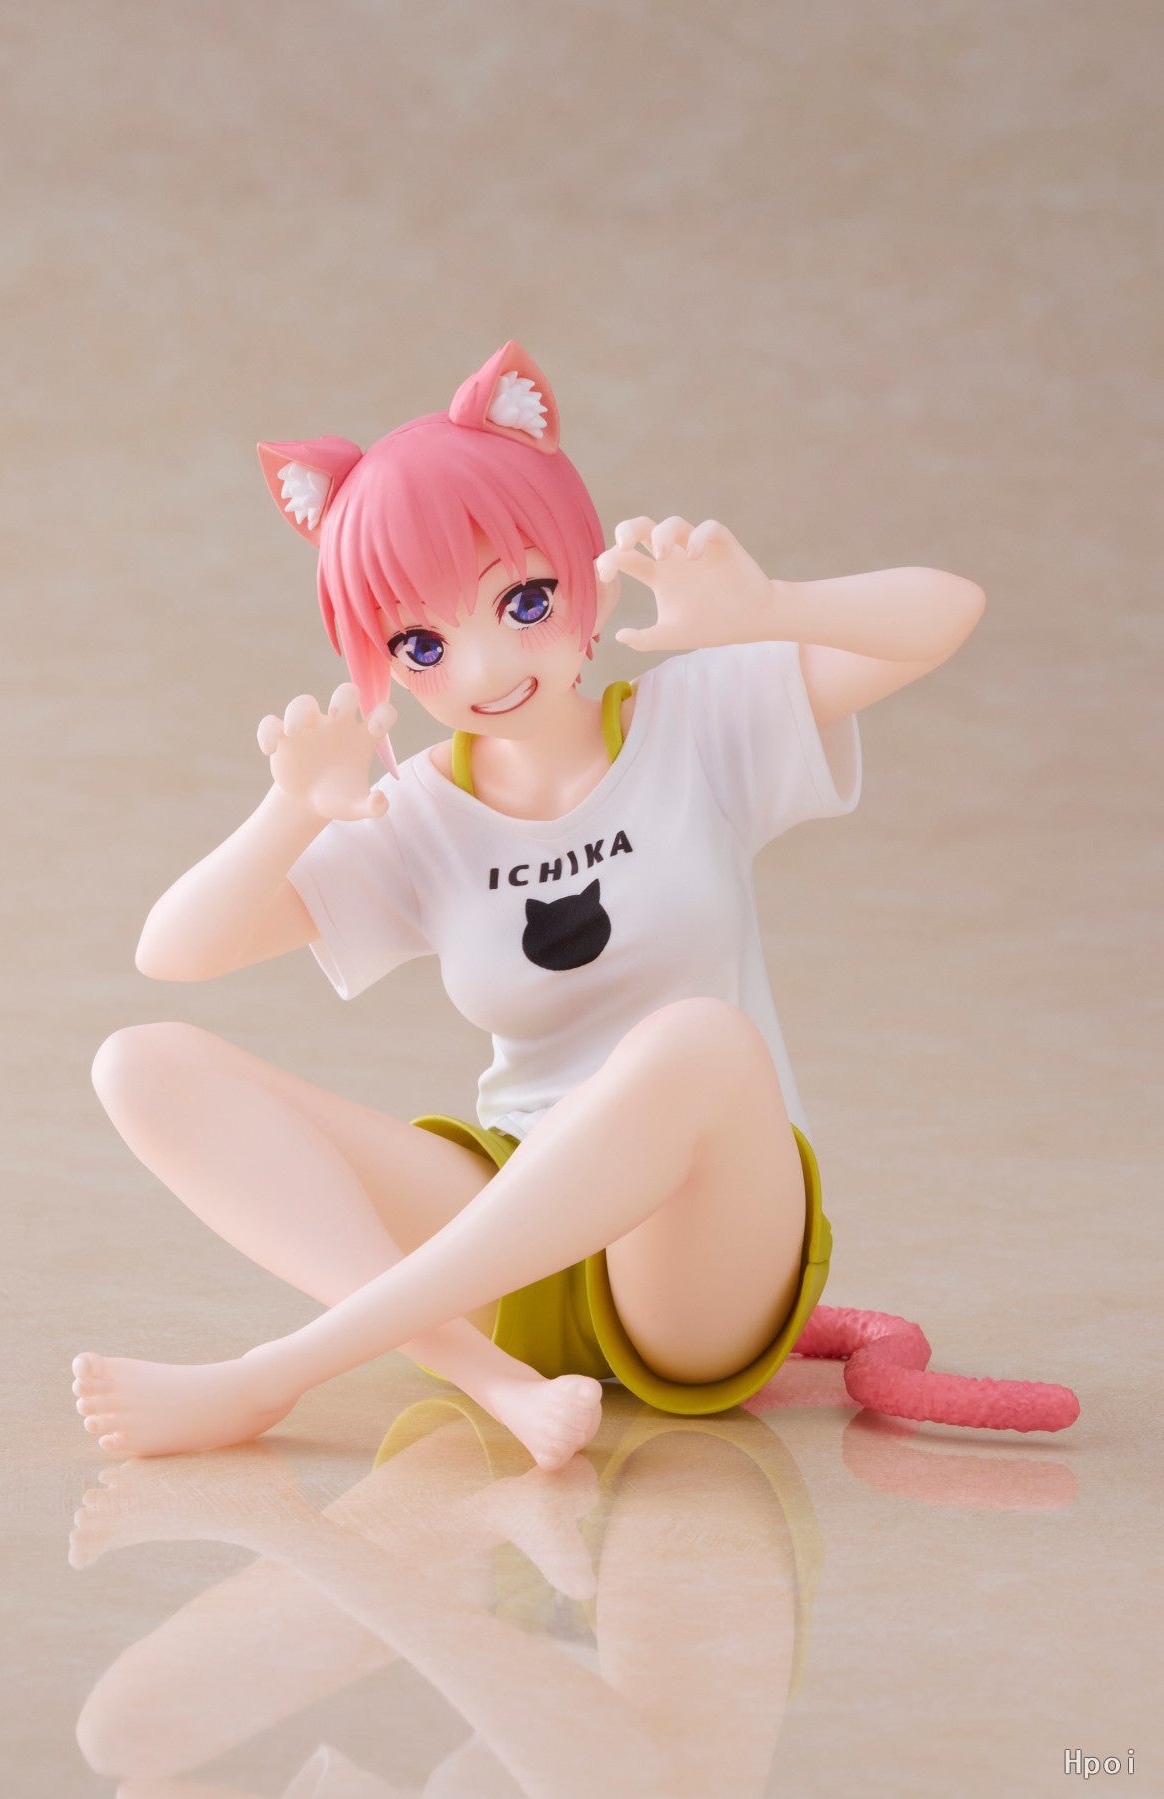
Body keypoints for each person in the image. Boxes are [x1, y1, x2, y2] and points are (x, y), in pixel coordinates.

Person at [72, 341, 986, 1466]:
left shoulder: (694, 722)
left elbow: (946, 611)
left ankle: (275, 1374)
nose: (482, 668)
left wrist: (767, 605)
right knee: (141, 1061)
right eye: (420, 644)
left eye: (523, 600)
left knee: (699, 1042)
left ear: (587, 579)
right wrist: (290, 809)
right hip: (512, 1239)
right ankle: (491, 1378)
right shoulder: (413, 808)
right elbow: (174, 951)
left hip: (695, 1258)